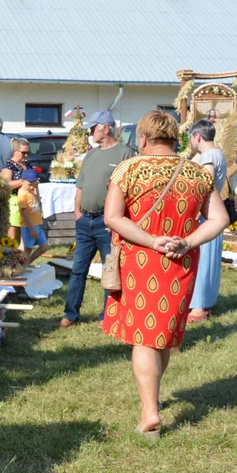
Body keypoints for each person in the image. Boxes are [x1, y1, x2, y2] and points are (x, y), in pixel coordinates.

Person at [102, 110, 229, 438]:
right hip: (180, 263)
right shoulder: (196, 173)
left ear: (142, 138)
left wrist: (151, 241)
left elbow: (113, 217)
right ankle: (153, 399)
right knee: (163, 334)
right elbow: (219, 219)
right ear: (177, 138)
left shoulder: (129, 168)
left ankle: (149, 412)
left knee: (144, 338)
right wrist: (186, 242)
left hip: (140, 261)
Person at [60, 110, 135, 328]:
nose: (91, 132)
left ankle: (107, 316)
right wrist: (77, 212)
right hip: (85, 221)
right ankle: (70, 314)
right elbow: (80, 186)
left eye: (93, 128)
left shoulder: (125, 154)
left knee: (110, 270)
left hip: (108, 222)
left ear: (106, 128)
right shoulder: (92, 154)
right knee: (78, 270)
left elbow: (130, 191)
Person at [187, 119, 227, 323]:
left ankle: (198, 306)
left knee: (202, 261)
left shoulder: (210, 157)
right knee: (206, 260)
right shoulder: (211, 153)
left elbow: (204, 185)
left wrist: (193, 212)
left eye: (191, 138)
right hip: (209, 213)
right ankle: (201, 302)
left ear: (197, 136)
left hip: (205, 215)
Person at [1, 138, 32, 242]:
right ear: (15, 151)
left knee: (24, 237)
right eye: (23, 153)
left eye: (28, 153)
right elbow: (6, 185)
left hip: (27, 201)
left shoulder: (28, 165)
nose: (26, 155)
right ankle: (11, 257)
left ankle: (21, 257)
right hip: (14, 203)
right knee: (13, 236)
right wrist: (23, 182)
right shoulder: (9, 165)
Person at [17, 167, 48, 263]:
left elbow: (38, 201)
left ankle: (27, 263)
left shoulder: (30, 191)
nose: (31, 186)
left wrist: (36, 187)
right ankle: (23, 266)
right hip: (28, 227)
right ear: (22, 181)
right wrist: (32, 230)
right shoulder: (22, 194)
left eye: (33, 184)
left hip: (37, 225)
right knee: (27, 250)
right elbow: (24, 213)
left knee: (44, 247)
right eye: (29, 184)